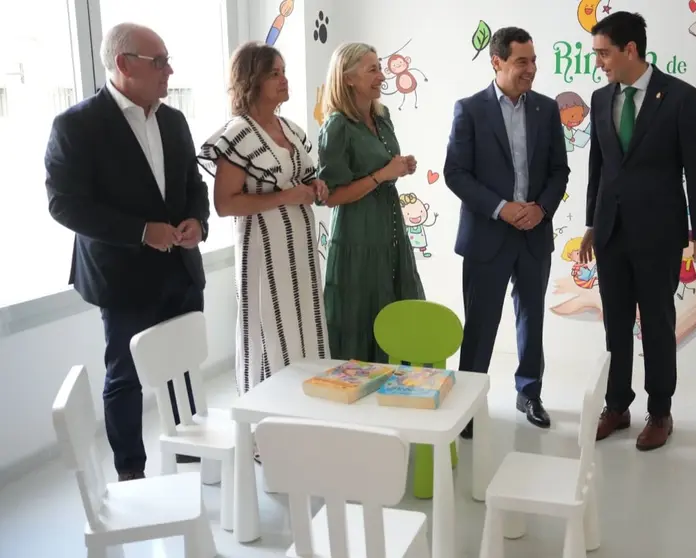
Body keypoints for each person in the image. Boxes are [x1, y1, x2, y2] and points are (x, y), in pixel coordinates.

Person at [44, 23, 209, 481]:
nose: (169, 70)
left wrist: (198, 221)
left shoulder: (173, 121)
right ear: (123, 64)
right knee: (126, 376)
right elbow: (64, 204)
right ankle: (131, 474)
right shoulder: (77, 125)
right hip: (122, 278)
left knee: (182, 366)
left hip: (180, 268)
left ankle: (191, 453)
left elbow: (194, 186)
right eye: (159, 62)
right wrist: (140, 232)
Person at [579, 12, 696, 451]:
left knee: (658, 324)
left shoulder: (679, 97)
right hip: (611, 232)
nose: (598, 62)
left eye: (604, 53)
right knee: (615, 325)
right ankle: (616, 406)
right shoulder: (600, 99)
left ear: (630, 49)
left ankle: (660, 411)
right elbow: (598, 167)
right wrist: (591, 224)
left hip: (659, 234)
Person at [444, 27, 569, 437]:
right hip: (487, 235)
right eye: (521, 61)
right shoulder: (469, 109)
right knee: (481, 324)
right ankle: (468, 405)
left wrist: (541, 209)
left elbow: (559, 170)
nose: (531, 69)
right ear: (496, 62)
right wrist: (502, 209)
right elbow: (455, 173)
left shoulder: (546, 109)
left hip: (534, 233)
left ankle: (529, 393)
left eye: (533, 61)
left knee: (532, 319)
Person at [198, 42, 329, 403]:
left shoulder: (290, 129)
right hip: (264, 250)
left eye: (284, 72)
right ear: (251, 79)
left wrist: (315, 186)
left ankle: (308, 407)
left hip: (300, 249)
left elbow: (300, 179)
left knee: (304, 322)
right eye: (274, 73)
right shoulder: (237, 134)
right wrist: (286, 197)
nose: (284, 80)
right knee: (271, 327)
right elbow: (225, 204)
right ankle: (269, 414)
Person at [316, 42, 424, 362]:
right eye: (372, 69)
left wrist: (399, 167)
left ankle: (399, 385)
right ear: (348, 78)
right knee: (360, 319)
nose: (381, 76)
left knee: (399, 313)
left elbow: (383, 168)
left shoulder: (383, 116)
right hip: (357, 237)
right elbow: (331, 196)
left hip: (391, 231)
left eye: (380, 68)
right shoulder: (337, 126)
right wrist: (382, 174)